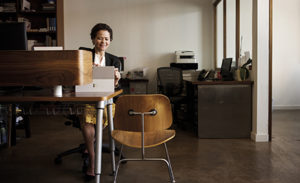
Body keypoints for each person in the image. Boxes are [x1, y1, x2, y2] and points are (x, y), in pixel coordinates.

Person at [81, 23, 121, 180]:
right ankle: (92, 161)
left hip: (106, 100)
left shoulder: (115, 60)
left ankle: (91, 141)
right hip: (87, 98)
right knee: (87, 122)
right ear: (93, 39)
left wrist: (116, 81)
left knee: (101, 118)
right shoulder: (83, 55)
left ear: (110, 40)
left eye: (106, 38)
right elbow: (77, 77)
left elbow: (116, 87)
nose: (103, 41)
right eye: (99, 38)